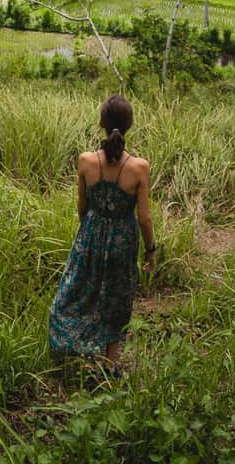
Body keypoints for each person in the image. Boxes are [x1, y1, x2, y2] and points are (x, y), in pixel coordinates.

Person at [49, 94, 156, 370]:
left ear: (101, 124)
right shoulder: (139, 167)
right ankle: (109, 366)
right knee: (117, 298)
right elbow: (144, 218)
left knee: (77, 291)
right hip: (124, 239)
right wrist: (151, 250)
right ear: (130, 125)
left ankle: (74, 347)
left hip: (90, 233)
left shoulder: (85, 161)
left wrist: (88, 233)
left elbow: (81, 206)